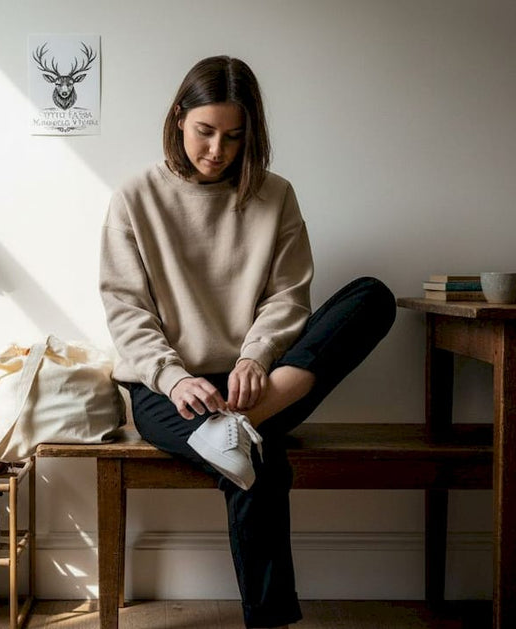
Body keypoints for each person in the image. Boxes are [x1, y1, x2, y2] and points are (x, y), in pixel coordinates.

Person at [99, 55, 396, 629]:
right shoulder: (135, 197)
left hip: (262, 381)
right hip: (168, 392)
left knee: (372, 296)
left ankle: (239, 419)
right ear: (178, 118)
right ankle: (271, 619)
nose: (217, 150)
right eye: (205, 132)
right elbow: (125, 307)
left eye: (234, 137)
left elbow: (289, 296)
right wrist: (173, 376)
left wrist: (256, 357)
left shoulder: (275, 196)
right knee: (254, 459)